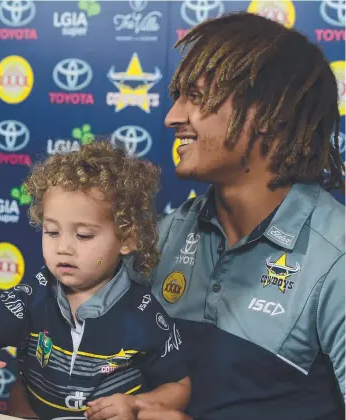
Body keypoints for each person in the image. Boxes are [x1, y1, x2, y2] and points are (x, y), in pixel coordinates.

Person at [141, 12, 345, 420]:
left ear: (270, 113)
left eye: (195, 97)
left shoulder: (335, 258)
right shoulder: (165, 236)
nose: (172, 117)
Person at [0, 141, 192, 420]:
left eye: (84, 235)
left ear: (127, 239)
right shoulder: (34, 293)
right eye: (52, 232)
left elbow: (179, 387)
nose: (64, 247)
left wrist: (137, 405)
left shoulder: (144, 314)